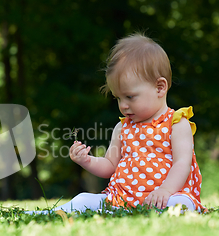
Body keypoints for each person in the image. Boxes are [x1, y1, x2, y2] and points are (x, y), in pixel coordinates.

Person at [25, 33, 205, 215]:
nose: (123, 105)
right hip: (121, 197)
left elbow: (182, 163)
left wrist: (165, 191)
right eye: (118, 98)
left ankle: (157, 210)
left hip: (167, 196)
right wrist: (87, 161)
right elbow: (110, 164)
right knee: (84, 199)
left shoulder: (176, 123)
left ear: (160, 87)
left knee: (180, 204)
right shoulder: (123, 127)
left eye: (130, 97)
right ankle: (51, 213)